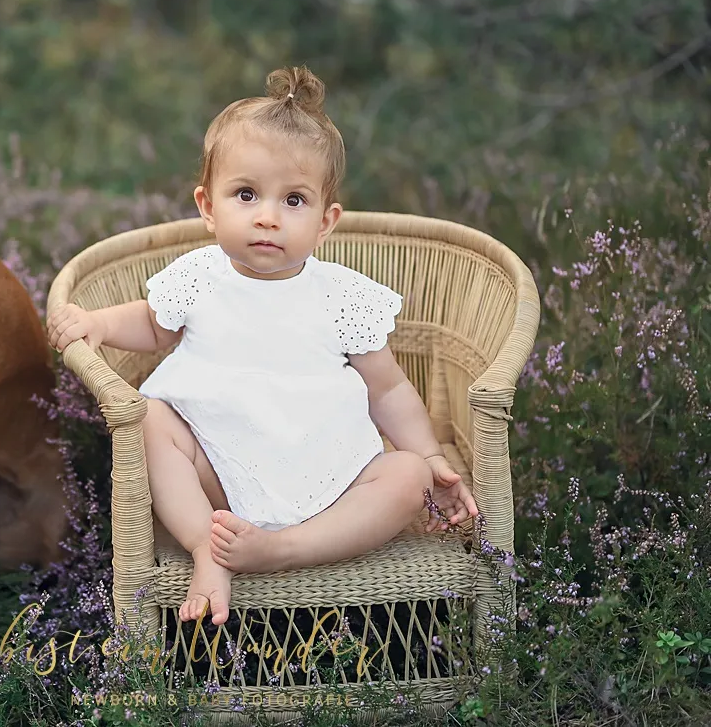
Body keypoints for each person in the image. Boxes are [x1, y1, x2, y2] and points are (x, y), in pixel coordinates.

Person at [46, 65, 478, 628]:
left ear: (326, 222)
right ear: (207, 205)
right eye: (246, 194)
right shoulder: (200, 275)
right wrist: (99, 324)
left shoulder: (343, 295)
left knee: (405, 478)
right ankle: (210, 548)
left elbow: (389, 389)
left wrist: (431, 457)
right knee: (149, 416)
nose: (268, 218)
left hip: (328, 473)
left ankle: (286, 548)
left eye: (293, 200)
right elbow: (154, 326)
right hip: (218, 471)